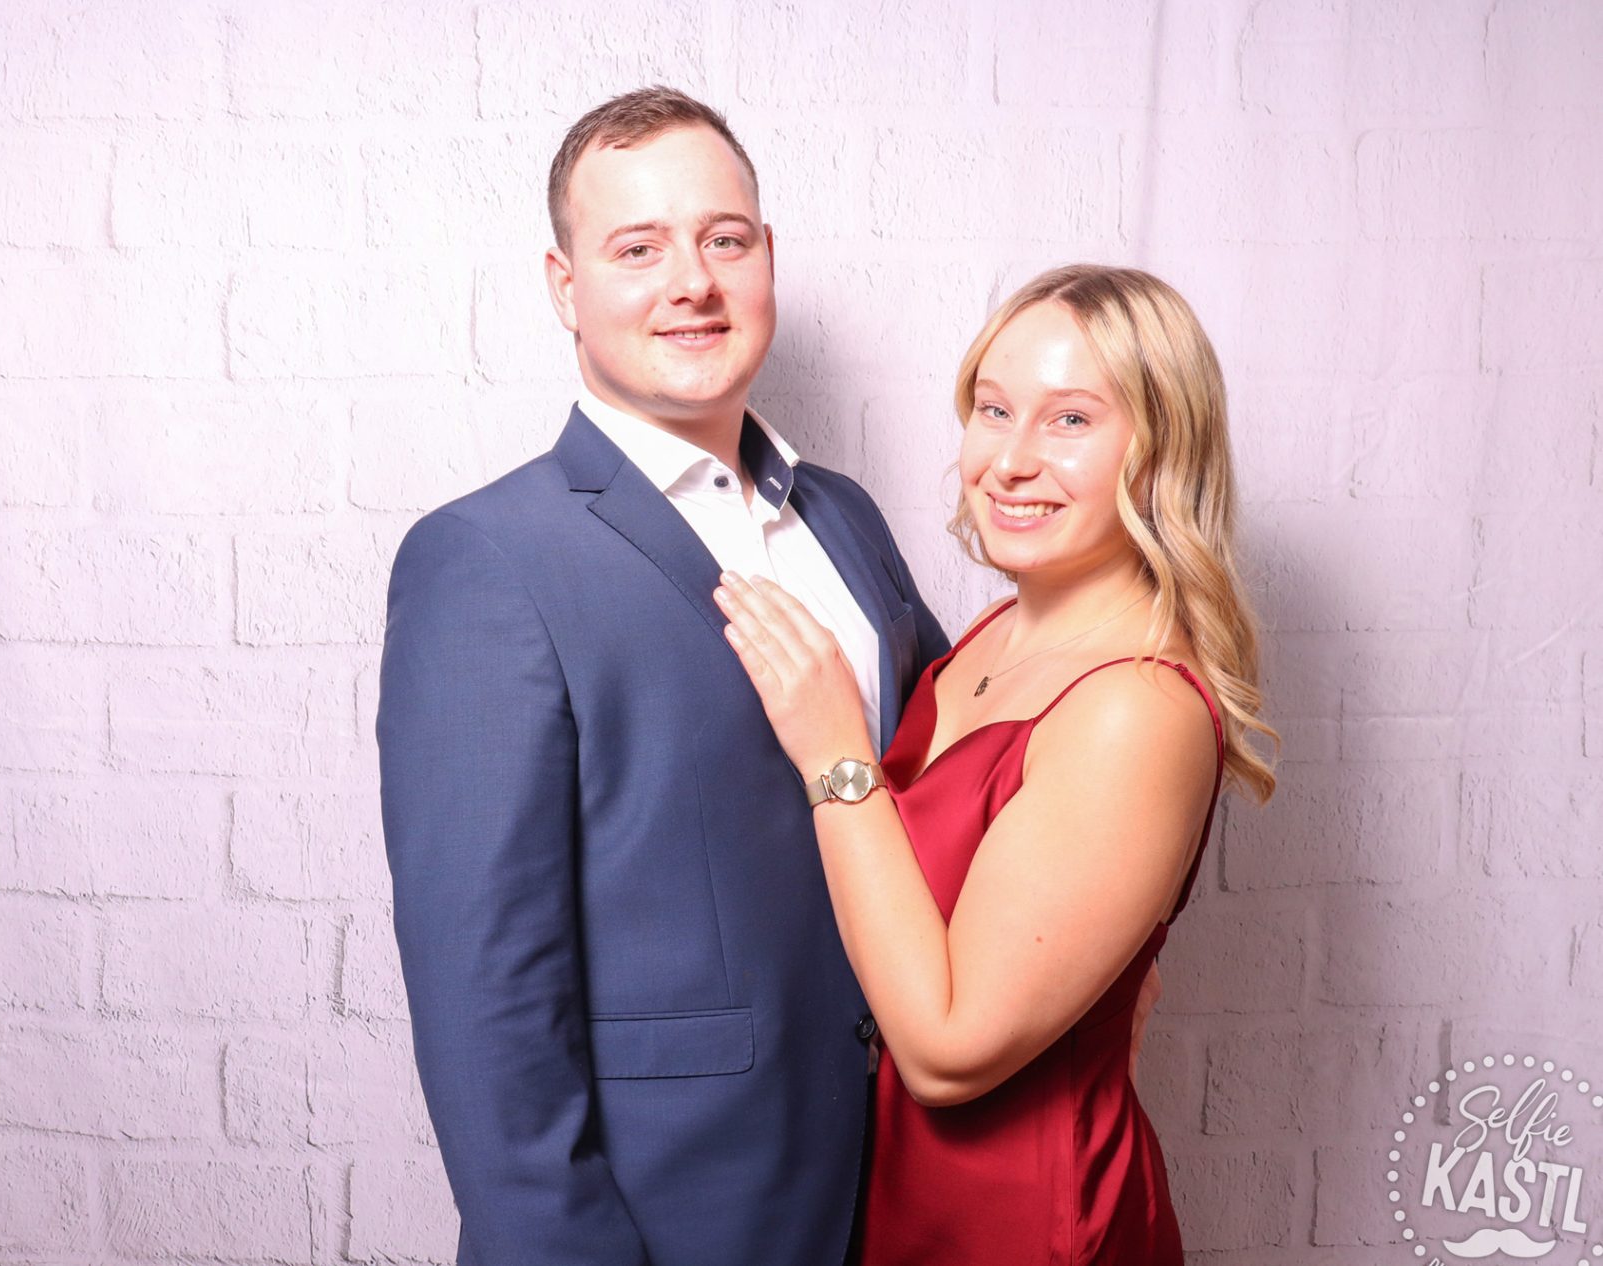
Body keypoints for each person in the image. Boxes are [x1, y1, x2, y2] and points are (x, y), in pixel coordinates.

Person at [375, 87, 955, 1266]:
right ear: (564, 286)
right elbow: (485, 999)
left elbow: (963, 787)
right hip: (677, 1218)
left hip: (913, 1189)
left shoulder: (845, 517)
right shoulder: (484, 560)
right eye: (637, 249)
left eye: (723, 239)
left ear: (766, 259)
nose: (692, 281)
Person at [713, 264, 1280, 1264]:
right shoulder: (992, 634)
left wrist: (835, 754)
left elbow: (946, 1053)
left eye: (1071, 420)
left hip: (1022, 1225)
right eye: (994, 408)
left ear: (1162, 449)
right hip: (897, 1200)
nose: (1011, 461)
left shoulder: (1135, 706)